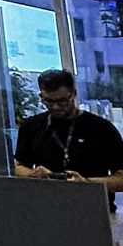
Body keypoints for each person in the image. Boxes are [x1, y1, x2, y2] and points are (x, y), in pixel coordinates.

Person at [14, 69, 123, 201]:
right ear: (41, 96)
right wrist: (33, 174)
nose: (55, 107)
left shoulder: (101, 128)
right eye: (48, 101)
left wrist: (87, 183)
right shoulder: (31, 126)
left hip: (93, 205)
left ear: (73, 94)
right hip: (46, 203)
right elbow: (19, 167)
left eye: (62, 101)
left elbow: (120, 178)